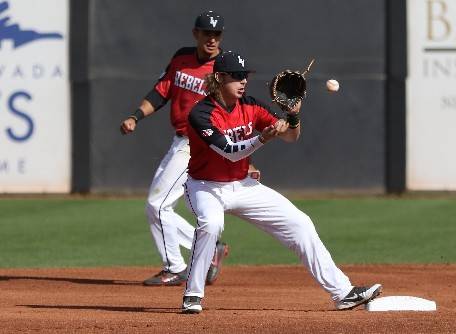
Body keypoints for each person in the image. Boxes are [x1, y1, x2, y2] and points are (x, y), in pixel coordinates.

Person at [181, 51, 382, 313]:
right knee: (211, 224)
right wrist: (262, 138)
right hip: (205, 187)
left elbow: (290, 136)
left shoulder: (250, 105)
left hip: (242, 185)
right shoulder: (201, 113)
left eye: (246, 76)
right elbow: (229, 152)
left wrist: (293, 116)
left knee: (300, 222)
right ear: (219, 78)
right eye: (237, 76)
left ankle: (342, 292)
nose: (243, 81)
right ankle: (193, 295)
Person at [120, 11, 229, 286]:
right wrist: (135, 116)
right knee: (156, 207)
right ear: (196, 34)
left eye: (216, 34)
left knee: (157, 206)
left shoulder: (223, 69)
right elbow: (161, 91)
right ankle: (208, 245)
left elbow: (231, 111)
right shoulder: (182, 58)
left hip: (198, 144)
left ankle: (176, 266)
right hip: (180, 141)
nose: (212, 39)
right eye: (207, 33)